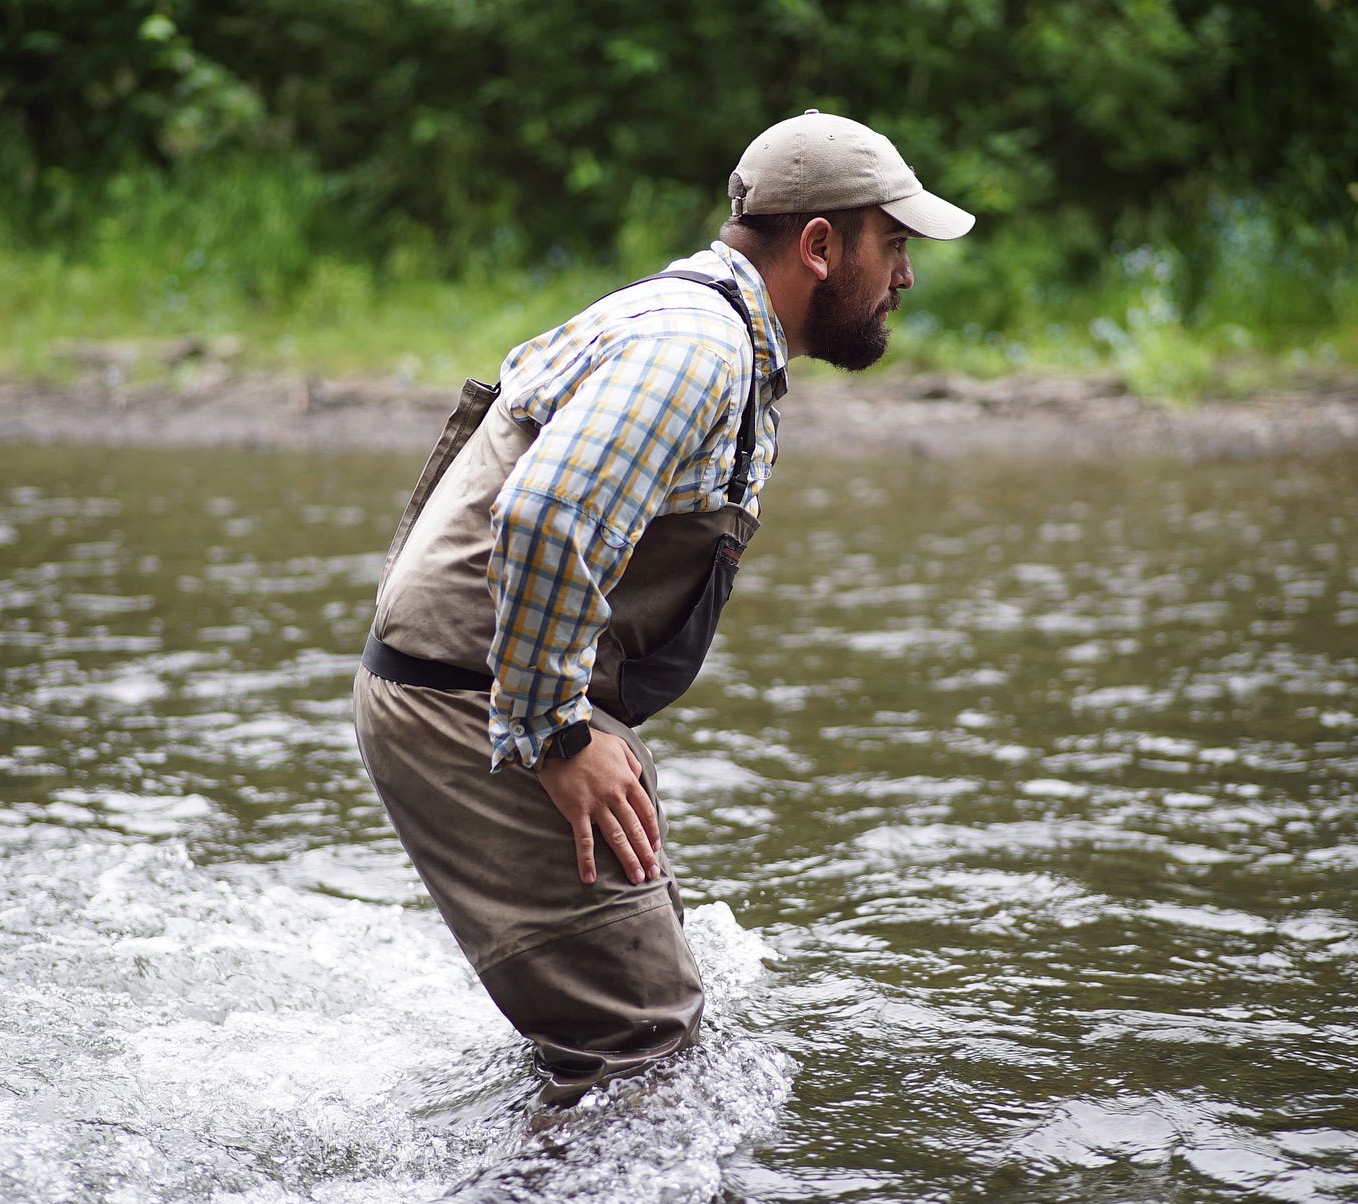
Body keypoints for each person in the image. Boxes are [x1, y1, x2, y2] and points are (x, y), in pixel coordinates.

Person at [353, 110, 975, 1105]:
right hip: (474, 708)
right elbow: (547, 515)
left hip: (479, 691)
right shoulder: (695, 350)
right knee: (645, 1057)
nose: (902, 274)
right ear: (819, 245)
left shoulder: (695, 325)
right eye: (891, 242)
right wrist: (557, 737)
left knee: (641, 1032)